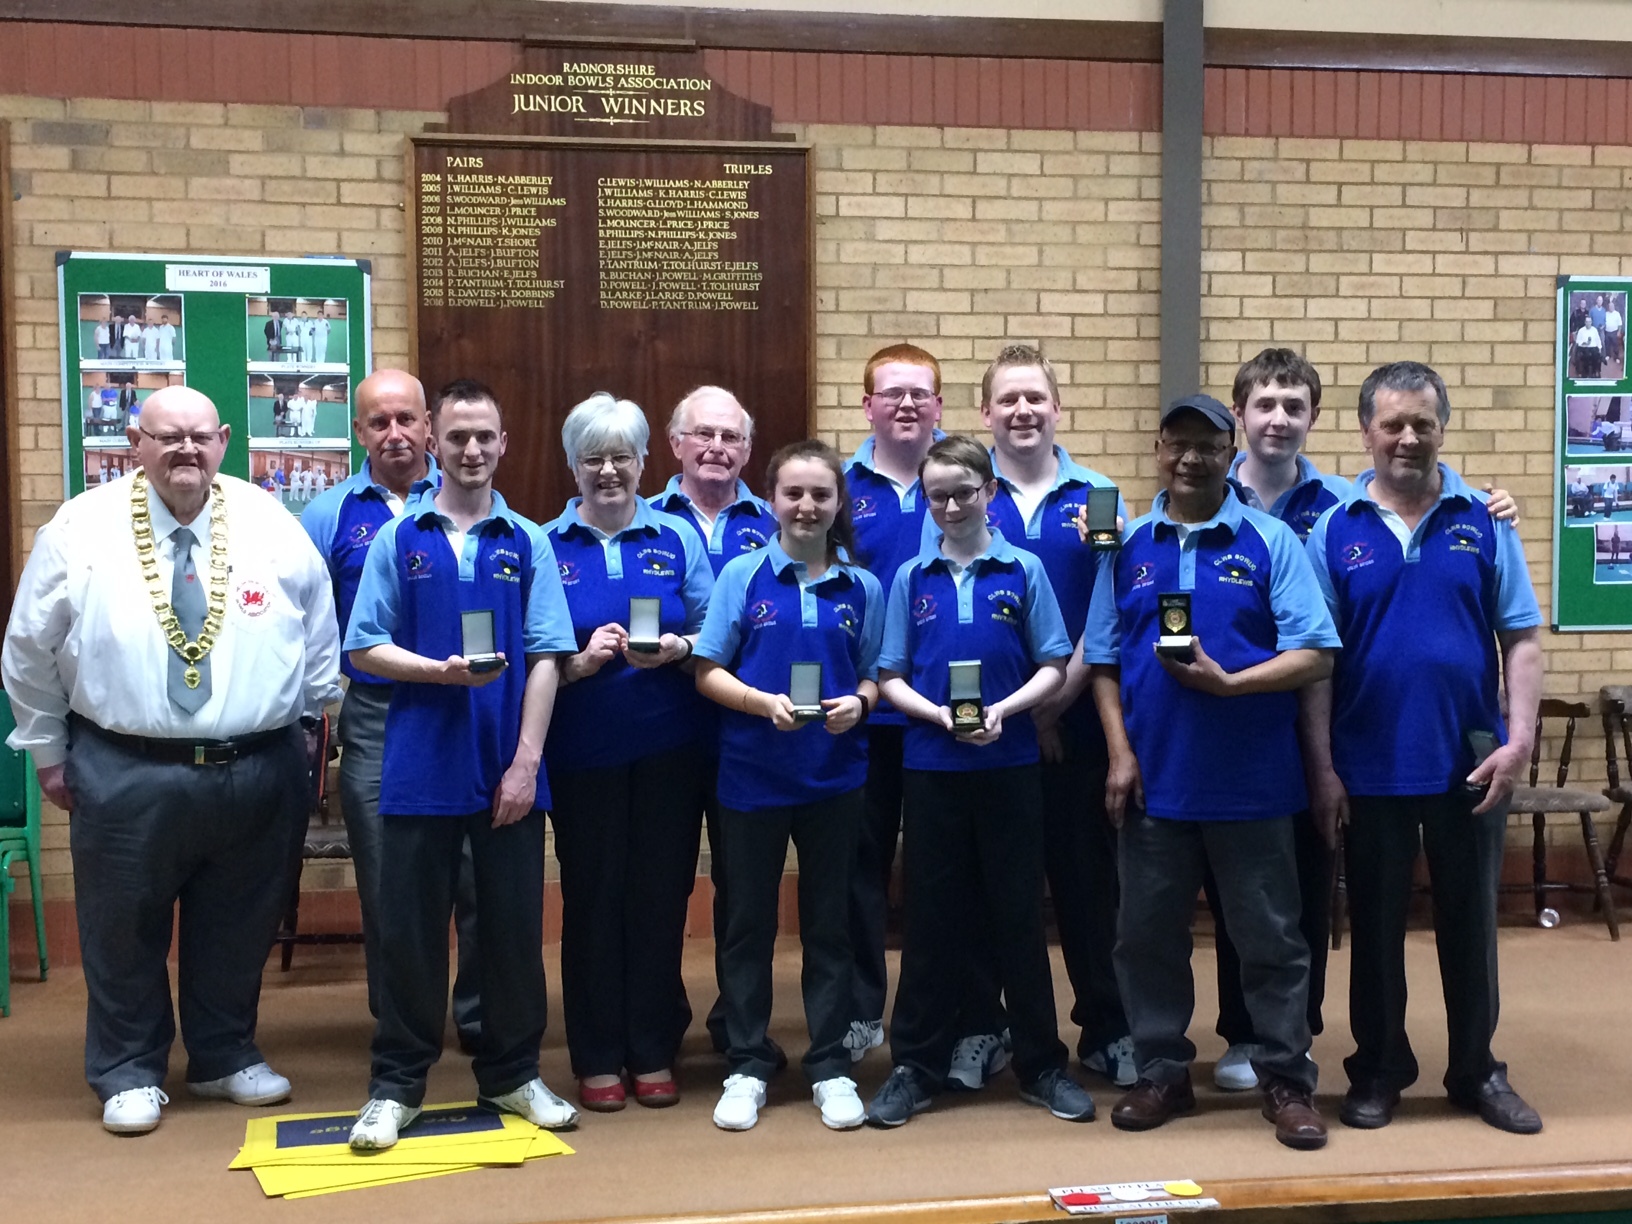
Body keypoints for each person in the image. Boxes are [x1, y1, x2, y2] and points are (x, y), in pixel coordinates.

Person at [2, 386, 340, 1135]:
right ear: (135, 442)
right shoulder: (80, 529)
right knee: (122, 926)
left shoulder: (268, 520)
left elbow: (319, 627)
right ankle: (128, 1069)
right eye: (167, 437)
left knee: (240, 921)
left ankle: (223, 1055)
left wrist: (309, 727)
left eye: (199, 436)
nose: (185, 450)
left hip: (257, 765)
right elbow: (27, 648)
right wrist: (48, 750)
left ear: (223, 439)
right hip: (126, 767)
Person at [1084, 393, 1337, 1150]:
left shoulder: (1270, 542)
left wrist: (1233, 682)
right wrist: (1120, 754)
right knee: (1147, 938)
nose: (1190, 457)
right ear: (1157, 449)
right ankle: (1162, 1070)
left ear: (1231, 452)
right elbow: (1102, 662)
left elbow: (1316, 652)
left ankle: (1285, 1077)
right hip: (1157, 784)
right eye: (1176, 443)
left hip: (1253, 785)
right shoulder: (1126, 545)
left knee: (1271, 941)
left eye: (1206, 444)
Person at [1303, 360, 1545, 1136]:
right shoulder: (1332, 530)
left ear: (1443, 427)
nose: (1408, 438)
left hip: (1469, 762)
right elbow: (1316, 659)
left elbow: (1524, 640)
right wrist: (1323, 767)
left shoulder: (1484, 518)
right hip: (1368, 764)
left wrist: (1520, 741)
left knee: (1470, 926)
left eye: (1423, 424)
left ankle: (1476, 1069)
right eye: (1393, 425)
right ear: (1366, 431)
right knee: (1373, 929)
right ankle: (1378, 1068)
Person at [343, 378, 579, 1150]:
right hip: (418, 767)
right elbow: (363, 645)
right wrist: (437, 673)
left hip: (507, 770)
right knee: (410, 935)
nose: (471, 450)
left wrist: (526, 763)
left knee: (510, 933)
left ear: (504, 444)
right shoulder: (397, 537)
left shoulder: (528, 539)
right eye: (457, 438)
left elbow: (547, 655)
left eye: (485, 437)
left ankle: (512, 1073)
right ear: (434, 445)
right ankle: (397, 1084)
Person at [865, 434, 1093, 1128]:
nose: (953, 505)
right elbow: (890, 675)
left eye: (965, 491)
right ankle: (916, 1066)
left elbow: (1054, 665)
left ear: (989, 492)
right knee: (931, 922)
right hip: (932, 770)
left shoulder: (1022, 569)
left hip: (1009, 766)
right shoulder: (911, 577)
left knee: (1019, 916)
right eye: (939, 495)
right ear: (927, 502)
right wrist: (935, 715)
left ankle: (1042, 1065)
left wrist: (1006, 710)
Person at [938, 345, 1133, 1094]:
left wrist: (1055, 701)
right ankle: (985, 1026)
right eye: (1008, 400)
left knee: (1088, 888)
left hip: (1077, 722)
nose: (1023, 411)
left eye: (1035, 399)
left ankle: (1108, 1027)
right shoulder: (962, 494)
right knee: (990, 891)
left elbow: (1112, 607)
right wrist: (1021, 714)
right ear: (985, 414)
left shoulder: (1101, 496)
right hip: (989, 736)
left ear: (1059, 410)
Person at [694, 439, 883, 1132]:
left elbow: (874, 673)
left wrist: (860, 704)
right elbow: (708, 668)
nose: (807, 506)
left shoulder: (862, 586)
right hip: (751, 778)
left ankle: (829, 1064)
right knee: (747, 925)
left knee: (829, 926)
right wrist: (758, 703)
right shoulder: (743, 576)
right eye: (793, 493)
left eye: (821, 495)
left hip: (835, 778)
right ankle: (747, 1061)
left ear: (839, 505)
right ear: (771, 500)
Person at [302, 369, 488, 1054]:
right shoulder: (328, 515)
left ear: (430, 428)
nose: (395, 433)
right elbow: (308, 621)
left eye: (407, 419)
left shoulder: (476, 504)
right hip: (377, 712)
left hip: (468, 712)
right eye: (378, 422)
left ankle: (478, 1015)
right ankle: (404, 1022)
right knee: (390, 877)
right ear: (358, 433)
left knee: (476, 871)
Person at [543, 392, 714, 1113]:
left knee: (658, 897)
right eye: (593, 457)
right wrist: (578, 666)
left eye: (622, 456)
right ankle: (597, 1052)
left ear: (646, 461)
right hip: (584, 753)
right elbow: (535, 650)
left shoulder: (675, 537)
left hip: (671, 750)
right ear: (573, 465)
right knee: (592, 898)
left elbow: (716, 628)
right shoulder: (544, 543)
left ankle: (651, 1045)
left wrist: (680, 648)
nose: (608, 470)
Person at [647, 385, 774, 1057]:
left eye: (731, 437)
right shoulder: (646, 521)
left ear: (748, 450)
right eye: (704, 435)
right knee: (663, 882)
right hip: (665, 728)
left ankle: (738, 1027)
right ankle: (659, 1022)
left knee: (744, 888)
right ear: (676, 445)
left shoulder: (773, 522)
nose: (718, 448)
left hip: (748, 735)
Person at [842, 343, 945, 1065]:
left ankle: (944, 1013)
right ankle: (856, 1012)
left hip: (946, 719)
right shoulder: (838, 489)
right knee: (860, 869)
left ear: (939, 405)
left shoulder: (970, 482)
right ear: (868, 405)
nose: (906, 405)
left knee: (942, 872)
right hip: (864, 716)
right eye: (892, 393)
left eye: (920, 393)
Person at [1607, 300, 1624, 366]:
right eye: (1610, 306)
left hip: (1614, 332)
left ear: (1614, 307)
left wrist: (1619, 331)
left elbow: (1620, 324)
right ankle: (1608, 355)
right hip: (1607, 331)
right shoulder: (1606, 313)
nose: (1611, 307)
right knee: (1607, 345)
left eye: (1612, 306)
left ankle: (1616, 357)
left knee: (1615, 345)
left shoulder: (1617, 314)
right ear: (1608, 307)